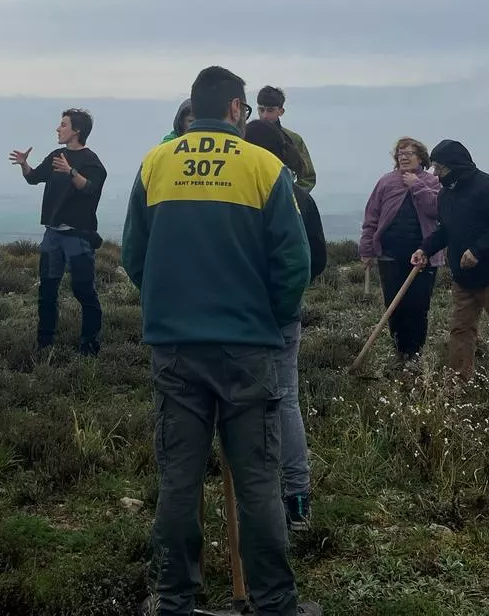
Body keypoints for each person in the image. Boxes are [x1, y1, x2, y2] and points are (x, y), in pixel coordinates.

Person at [122, 66, 320, 616]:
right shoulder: (264, 166)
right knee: (258, 481)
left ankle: (173, 601)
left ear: (194, 106)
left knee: (179, 481)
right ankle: (275, 603)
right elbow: (294, 263)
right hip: (249, 348)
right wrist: (270, 320)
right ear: (237, 108)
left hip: (176, 349)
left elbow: (133, 256)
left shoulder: (155, 164)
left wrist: (167, 309)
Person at [242, 117, 328, 531]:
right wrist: (286, 298)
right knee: (286, 400)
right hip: (282, 314)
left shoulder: (246, 189)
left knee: (241, 403)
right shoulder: (299, 195)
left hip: (240, 314)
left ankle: (255, 503)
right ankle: (297, 500)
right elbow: (316, 260)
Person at [412, 141, 489, 385]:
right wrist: (424, 249)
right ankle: (458, 383)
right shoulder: (446, 194)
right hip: (463, 278)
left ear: (455, 166)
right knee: (460, 330)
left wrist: (478, 251)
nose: (435, 174)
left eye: (440, 168)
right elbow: (445, 229)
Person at [9, 109, 108, 355]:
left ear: (76, 131)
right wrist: (24, 165)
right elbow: (34, 178)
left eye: (63, 125)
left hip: (78, 237)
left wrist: (71, 172)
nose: (58, 128)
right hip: (53, 235)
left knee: (84, 291)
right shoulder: (56, 156)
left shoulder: (91, 161)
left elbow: (91, 189)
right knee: (47, 290)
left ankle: (89, 345)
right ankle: (44, 344)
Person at [357, 137, 444, 366]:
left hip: (424, 256)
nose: (403, 157)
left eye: (409, 153)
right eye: (400, 154)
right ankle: (400, 352)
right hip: (390, 255)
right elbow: (372, 217)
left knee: (417, 307)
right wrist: (367, 249)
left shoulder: (432, 182)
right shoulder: (386, 182)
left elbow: (436, 209)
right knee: (394, 306)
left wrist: (416, 184)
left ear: (421, 158)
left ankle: (414, 355)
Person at [256, 86, 316, 193]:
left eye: (270, 110)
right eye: (261, 109)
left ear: (281, 111)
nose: (264, 115)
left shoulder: (293, 139)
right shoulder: (246, 137)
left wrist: (291, 197)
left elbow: (308, 177)